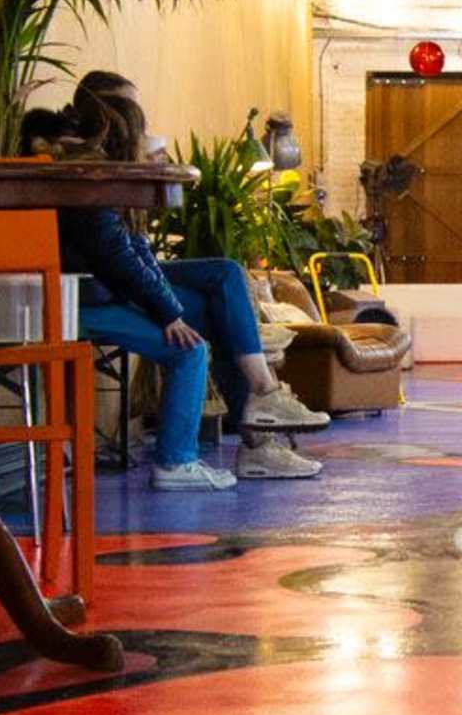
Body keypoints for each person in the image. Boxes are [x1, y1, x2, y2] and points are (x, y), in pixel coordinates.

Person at [53, 73, 326, 485]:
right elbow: (118, 258)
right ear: (113, 122)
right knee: (194, 343)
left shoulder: (107, 173)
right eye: (137, 119)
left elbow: (132, 249)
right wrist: (168, 313)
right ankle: (185, 456)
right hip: (90, 292)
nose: (146, 129)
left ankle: (259, 427)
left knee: (225, 281)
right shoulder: (88, 178)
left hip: (109, 283)